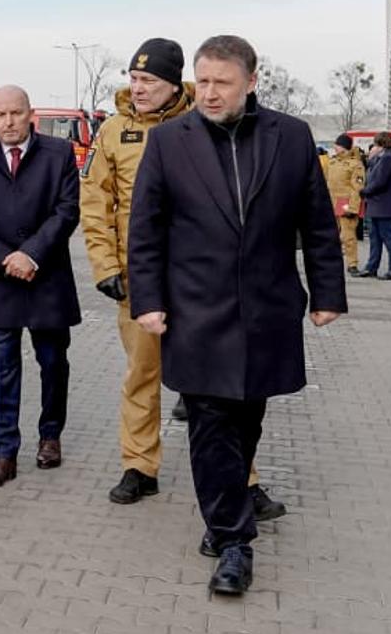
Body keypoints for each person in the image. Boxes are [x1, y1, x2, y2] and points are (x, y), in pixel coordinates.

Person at [128, 35, 345, 596]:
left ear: (252, 81)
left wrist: (327, 294)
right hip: (195, 310)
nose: (210, 93)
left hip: (268, 306)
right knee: (210, 422)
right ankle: (231, 539)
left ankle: (225, 507)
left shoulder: (291, 138)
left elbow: (316, 222)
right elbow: (146, 230)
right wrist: (147, 300)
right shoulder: (169, 142)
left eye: (223, 82)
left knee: (248, 414)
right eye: (202, 81)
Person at [83, 39, 193, 503]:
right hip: (138, 278)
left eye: (149, 80)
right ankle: (139, 466)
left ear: (173, 85)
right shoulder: (113, 130)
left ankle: (240, 478)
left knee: (217, 384)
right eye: (134, 78)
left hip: (195, 276)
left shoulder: (198, 123)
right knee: (141, 376)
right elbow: (94, 203)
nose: (138, 87)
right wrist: (105, 265)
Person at [0, 85, 81, 488]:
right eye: (1, 115)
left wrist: (32, 254)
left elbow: (67, 211)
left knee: (52, 363)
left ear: (31, 116)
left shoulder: (58, 154)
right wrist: (6, 258)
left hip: (47, 277)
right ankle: (3, 452)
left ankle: (50, 435)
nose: (8, 122)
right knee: (3, 366)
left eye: (16, 114)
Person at [361, 132, 391, 279]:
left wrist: (365, 191)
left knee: (388, 238)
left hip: (384, 205)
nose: (373, 147)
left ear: (380, 144)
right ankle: (371, 266)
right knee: (376, 238)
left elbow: (380, 181)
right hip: (380, 205)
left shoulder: (388, 158)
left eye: (375, 144)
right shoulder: (388, 158)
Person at [325, 134, 367, 277]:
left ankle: (352, 264)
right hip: (332, 202)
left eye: (337, 145)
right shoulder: (332, 162)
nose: (334, 147)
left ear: (342, 146)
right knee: (331, 236)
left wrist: (353, 207)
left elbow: (358, 188)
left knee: (348, 236)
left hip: (346, 203)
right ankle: (332, 263)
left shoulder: (356, 164)